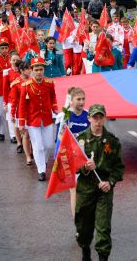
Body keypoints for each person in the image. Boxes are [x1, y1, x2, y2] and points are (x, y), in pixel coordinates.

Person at [75, 104, 125, 261]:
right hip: (85, 190)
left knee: (103, 229)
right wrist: (85, 167)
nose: (98, 121)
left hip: (104, 190)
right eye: (94, 118)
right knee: (83, 227)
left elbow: (119, 167)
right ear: (89, 118)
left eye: (100, 117)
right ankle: (85, 250)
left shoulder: (112, 141)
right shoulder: (80, 140)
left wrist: (110, 182)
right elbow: (73, 166)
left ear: (105, 117)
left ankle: (103, 257)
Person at [17, 57, 58, 181]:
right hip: (32, 120)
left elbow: (53, 99)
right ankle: (41, 170)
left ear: (44, 70)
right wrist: (21, 123)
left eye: (41, 69)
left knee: (49, 145)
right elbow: (22, 105)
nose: (39, 72)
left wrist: (56, 110)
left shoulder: (49, 83)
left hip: (47, 118)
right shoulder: (26, 85)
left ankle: (43, 161)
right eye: (36, 69)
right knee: (38, 146)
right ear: (32, 70)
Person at [54, 87, 90, 217]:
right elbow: (59, 139)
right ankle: (77, 221)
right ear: (71, 101)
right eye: (78, 99)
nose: (81, 102)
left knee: (85, 190)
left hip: (84, 157)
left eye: (83, 99)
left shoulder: (88, 116)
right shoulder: (65, 116)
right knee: (73, 189)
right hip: (70, 157)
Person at [16, 61, 34, 164]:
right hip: (22, 111)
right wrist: (13, 113)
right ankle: (28, 156)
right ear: (22, 70)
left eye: (30, 68)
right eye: (27, 68)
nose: (30, 70)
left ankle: (32, 151)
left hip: (33, 111)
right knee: (26, 134)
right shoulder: (17, 82)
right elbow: (14, 100)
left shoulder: (34, 80)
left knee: (33, 135)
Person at [3, 52, 23, 145]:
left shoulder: (22, 71)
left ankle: (22, 135)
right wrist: (5, 103)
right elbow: (5, 89)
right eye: (13, 60)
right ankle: (13, 136)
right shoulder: (7, 72)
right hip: (12, 99)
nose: (15, 62)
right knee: (12, 118)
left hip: (22, 99)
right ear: (10, 61)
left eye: (17, 60)